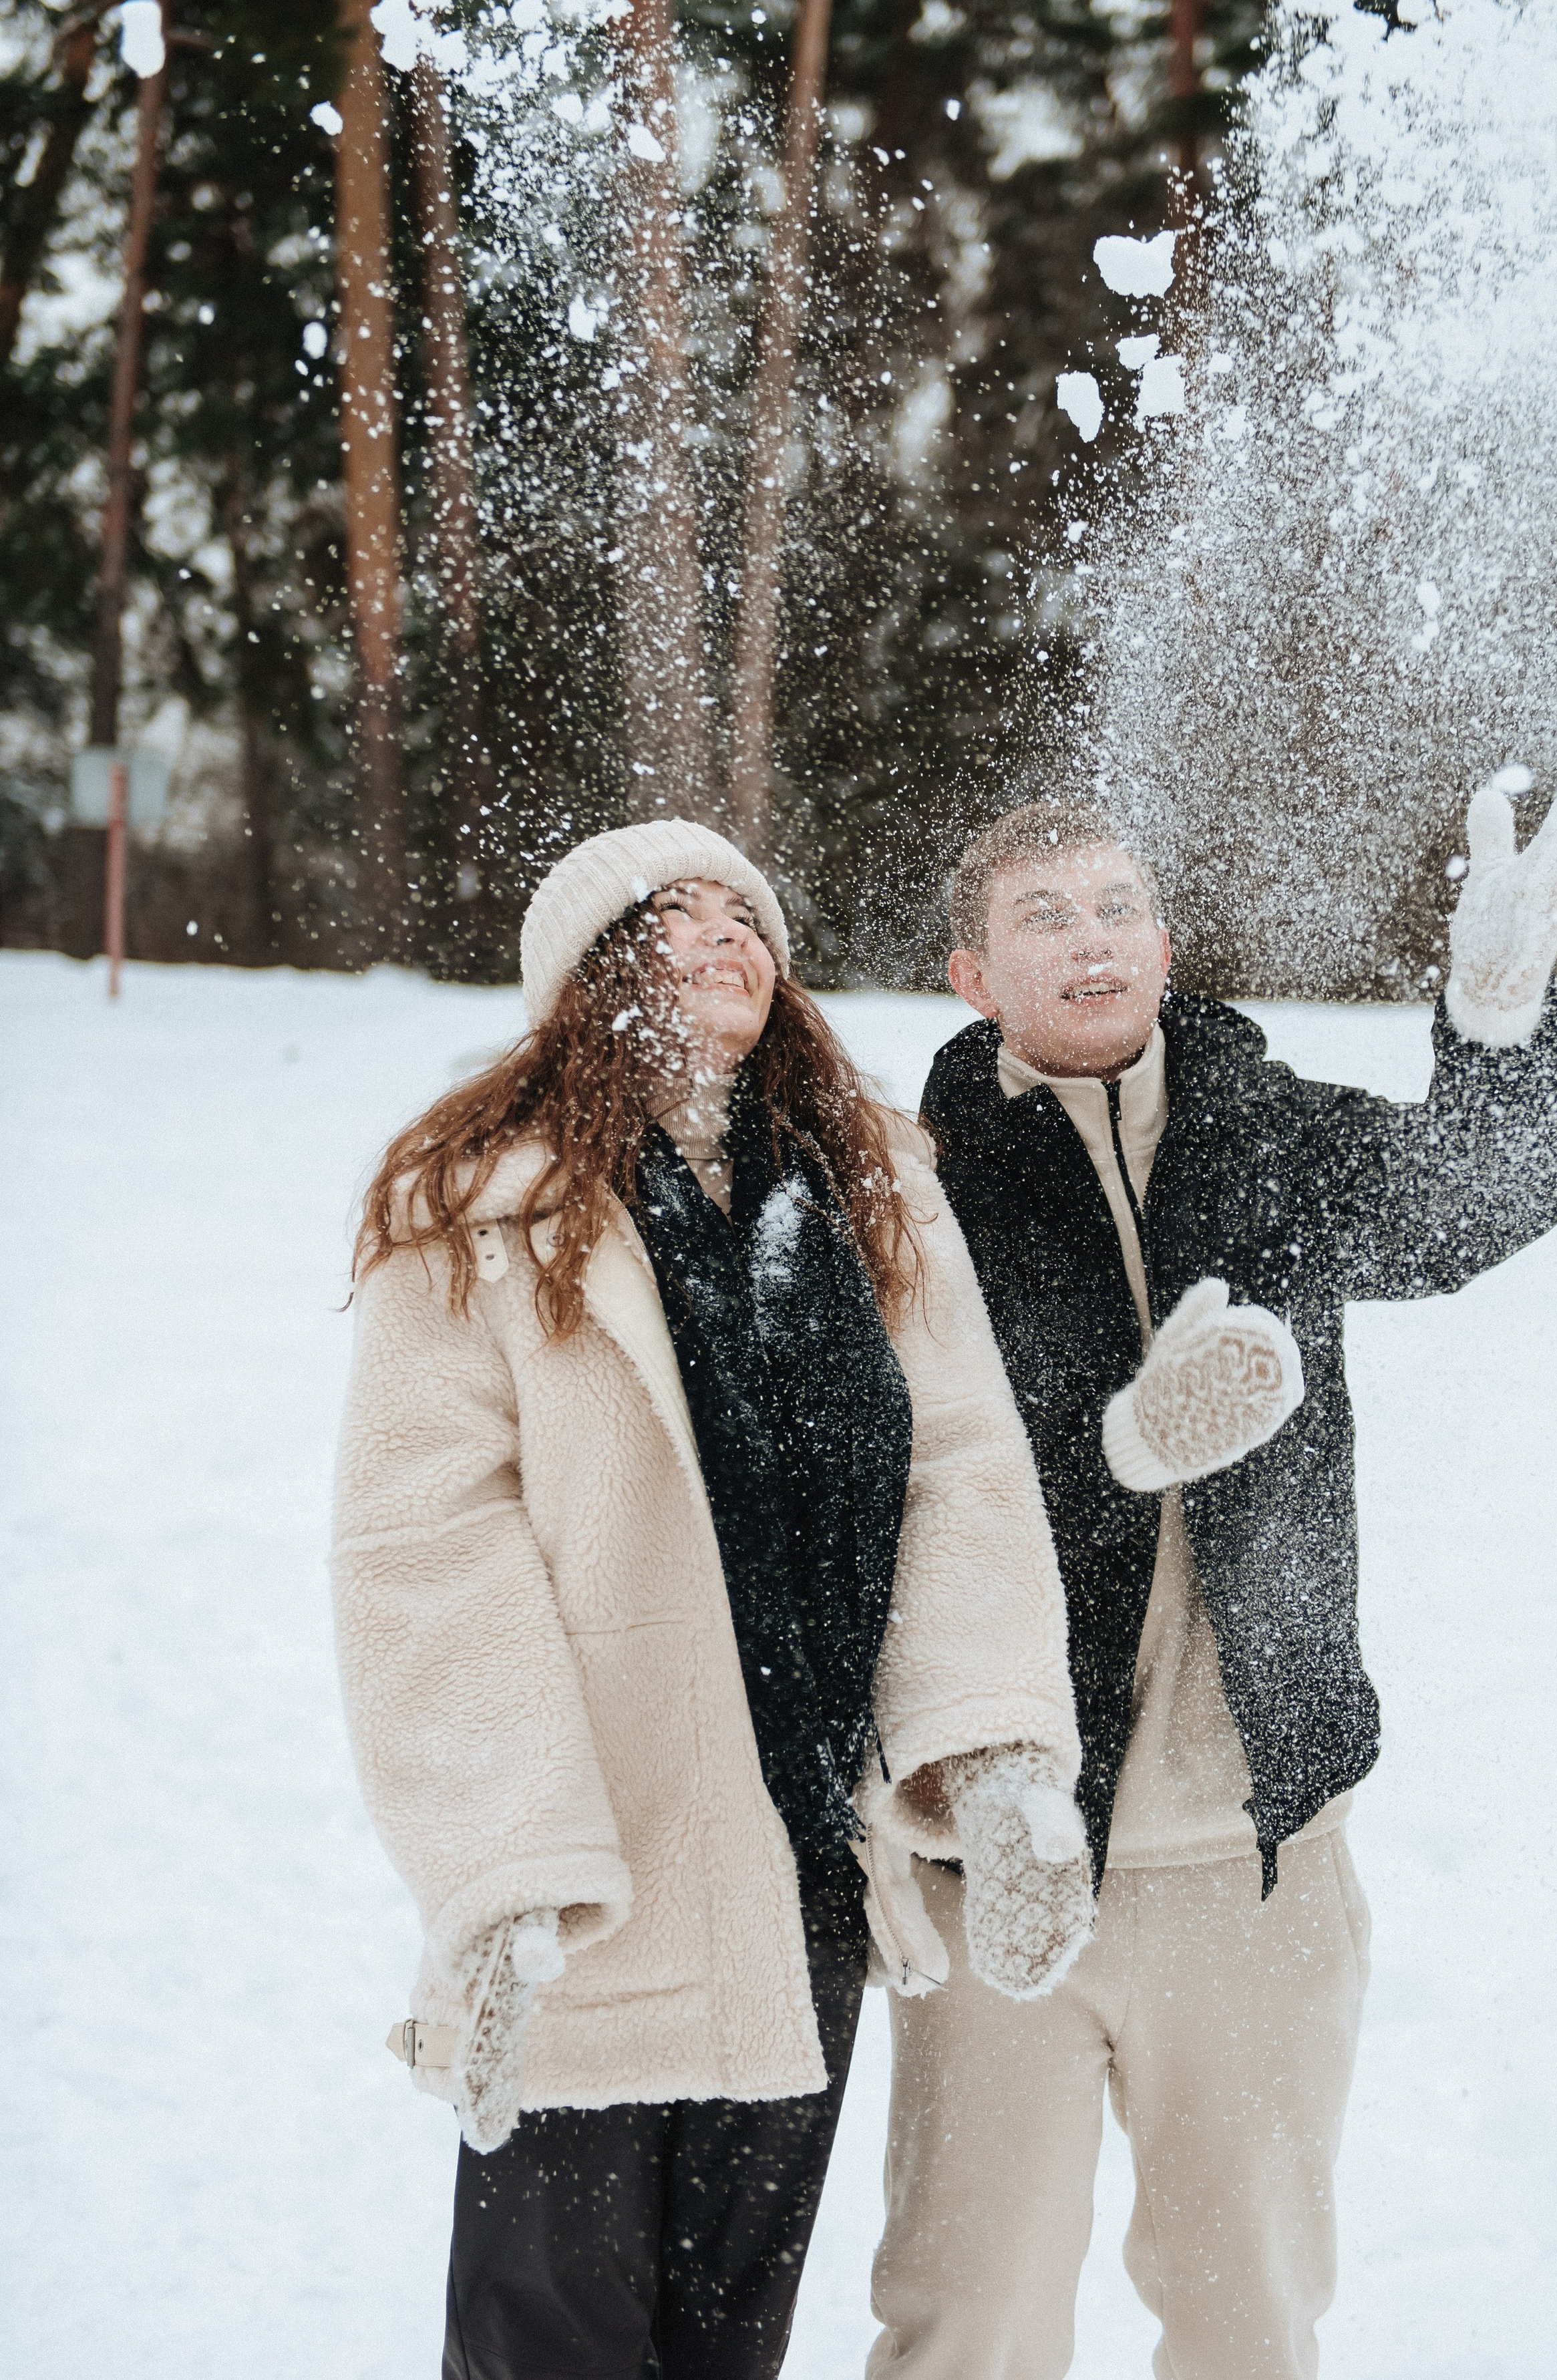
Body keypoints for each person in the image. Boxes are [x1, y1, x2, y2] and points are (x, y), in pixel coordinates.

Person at [331, 818, 1090, 2380]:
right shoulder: (475, 1205)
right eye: (672, 917)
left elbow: (956, 1464)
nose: (727, 934)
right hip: (587, 1877)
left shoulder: (868, 1191)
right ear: (589, 973)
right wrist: (504, 1872)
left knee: (726, 2337)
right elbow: (423, 1550)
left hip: (803, 1865)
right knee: (551, 2342)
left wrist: (997, 1753)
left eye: (746, 914)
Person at [868, 784, 1557, 2380]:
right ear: (969, 977)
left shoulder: (1269, 1130)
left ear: (1164, 943)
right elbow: (887, 1494)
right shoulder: (912, 1192)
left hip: (1256, 1866)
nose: (1090, 940)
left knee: (1247, 2323)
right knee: (966, 2322)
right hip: (1009, 1866)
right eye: (1042, 917)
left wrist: (1495, 1019)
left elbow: (1481, 1199)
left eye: (1115, 905)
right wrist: (1104, 1448)